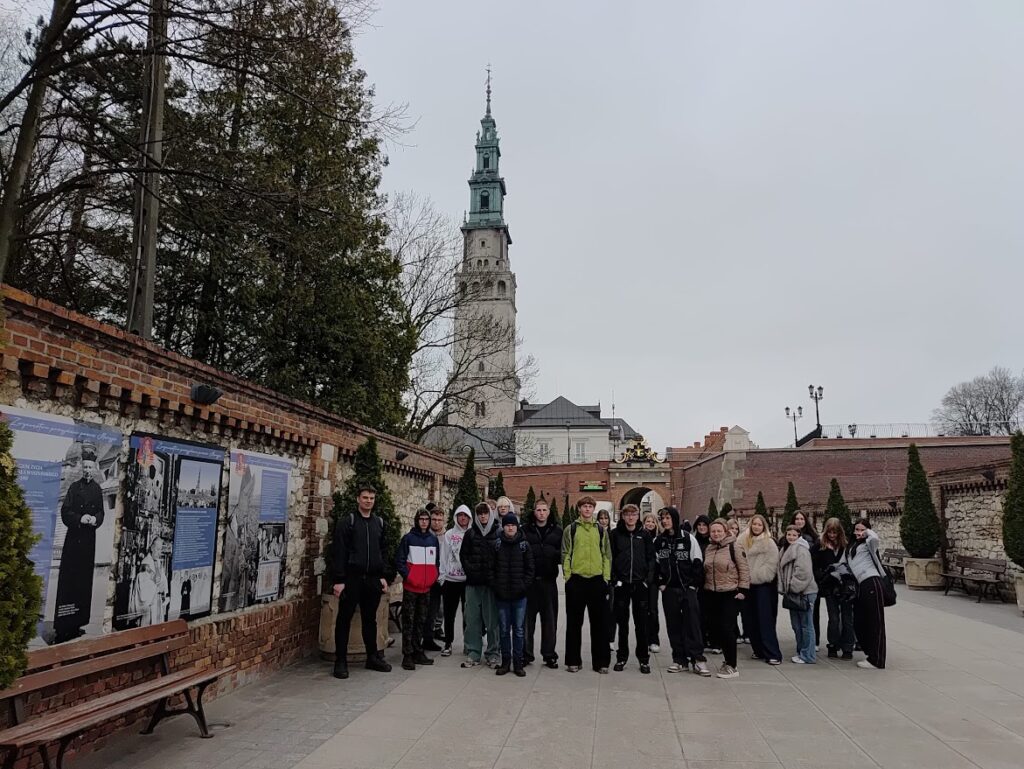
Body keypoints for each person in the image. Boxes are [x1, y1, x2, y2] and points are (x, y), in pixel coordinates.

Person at [331, 484, 393, 680]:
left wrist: (384, 576)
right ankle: (340, 660)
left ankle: (372, 657)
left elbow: (384, 551)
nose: (368, 501)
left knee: (370, 620)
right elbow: (338, 551)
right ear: (358, 499)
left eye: (371, 498)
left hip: (373, 579)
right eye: (365, 497)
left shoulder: (379, 523)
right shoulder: (347, 522)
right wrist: (339, 580)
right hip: (351, 579)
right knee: (344, 619)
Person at [54, 447, 105, 643]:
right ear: (81, 467)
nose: (87, 470)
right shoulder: (74, 488)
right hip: (73, 541)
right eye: (85, 466)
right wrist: (79, 518)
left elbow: (101, 512)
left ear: (95, 468)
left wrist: (95, 519)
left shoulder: (98, 490)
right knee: (69, 581)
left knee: (84, 582)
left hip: (88, 543)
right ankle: (62, 627)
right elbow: (65, 512)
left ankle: (78, 623)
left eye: (90, 467)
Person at [655, 507, 711, 676]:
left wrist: (694, 585)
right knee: (674, 625)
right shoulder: (658, 541)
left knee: (693, 624)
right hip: (669, 590)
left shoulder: (688, 539)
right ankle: (679, 659)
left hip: (688, 589)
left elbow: (697, 562)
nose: (665, 521)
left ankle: (698, 659)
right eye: (662, 518)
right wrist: (661, 583)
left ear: (675, 519)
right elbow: (655, 564)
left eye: (667, 518)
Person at [562, 496, 612, 673]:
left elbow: (606, 554)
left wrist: (605, 577)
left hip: (597, 580)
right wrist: (567, 576)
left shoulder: (600, 530)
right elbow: (566, 552)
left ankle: (601, 662)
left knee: (599, 624)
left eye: (590, 506)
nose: (587, 509)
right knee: (574, 623)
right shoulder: (572, 529)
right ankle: (573, 660)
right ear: (579, 509)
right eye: (584, 506)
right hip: (577, 580)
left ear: (594, 509)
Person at [609, 503, 655, 674]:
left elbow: (651, 558)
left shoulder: (645, 535)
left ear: (638, 516)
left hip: (639, 584)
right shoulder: (615, 534)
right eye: (627, 514)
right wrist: (614, 579)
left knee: (641, 623)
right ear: (623, 516)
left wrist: (647, 579)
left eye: (633, 514)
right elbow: (611, 556)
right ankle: (622, 657)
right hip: (622, 584)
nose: (630, 517)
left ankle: (643, 659)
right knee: (622, 623)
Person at [703, 518, 750, 679]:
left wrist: (743, 590)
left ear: (725, 531)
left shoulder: (734, 546)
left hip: (730, 592)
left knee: (727, 628)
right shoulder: (709, 548)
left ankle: (732, 665)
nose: (716, 534)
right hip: (712, 593)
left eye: (719, 531)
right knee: (716, 628)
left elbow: (743, 568)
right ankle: (727, 661)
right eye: (713, 531)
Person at [395, 508, 440, 670]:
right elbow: (399, 560)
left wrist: (433, 577)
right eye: (421, 519)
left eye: (426, 519)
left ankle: (417, 650)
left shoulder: (432, 540)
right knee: (408, 621)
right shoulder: (408, 538)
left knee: (421, 620)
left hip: (426, 588)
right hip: (411, 588)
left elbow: (436, 562)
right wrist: (409, 577)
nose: (424, 522)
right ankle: (407, 654)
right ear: (417, 520)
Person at [490, 513, 535, 676]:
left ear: (517, 526)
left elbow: (530, 570)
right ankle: (505, 662)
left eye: (513, 525)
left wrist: (523, 586)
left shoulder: (524, 545)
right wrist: (496, 586)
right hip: (502, 595)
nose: (510, 527)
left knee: (518, 630)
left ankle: (518, 663)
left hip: (519, 596)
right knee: (503, 630)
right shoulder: (497, 544)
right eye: (507, 525)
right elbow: (491, 569)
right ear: (503, 526)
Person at [460, 502, 501, 668]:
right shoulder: (470, 534)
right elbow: (464, 556)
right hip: (473, 583)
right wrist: (471, 571)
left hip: (490, 585)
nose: (483, 516)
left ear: (490, 514)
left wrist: (494, 576)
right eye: (480, 514)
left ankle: (492, 653)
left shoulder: (498, 532)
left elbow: (501, 557)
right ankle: (473, 652)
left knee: (492, 621)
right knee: (472, 620)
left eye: (485, 513)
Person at [522, 499, 562, 668]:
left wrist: (554, 555)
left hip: (548, 582)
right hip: (529, 583)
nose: (541, 513)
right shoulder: (525, 530)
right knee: (526, 622)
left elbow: (564, 553)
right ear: (534, 511)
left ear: (548, 512)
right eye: (538, 510)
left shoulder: (557, 531)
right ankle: (526, 654)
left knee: (550, 621)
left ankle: (549, 655)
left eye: (544, 510)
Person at [739, 514, 782, 665]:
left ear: (764, 527)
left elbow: (771, 566)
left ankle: (773, 653)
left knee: (765, 620)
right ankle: (758, 650)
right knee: (749, 620)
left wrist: (754, 576)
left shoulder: (769, 543)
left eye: (759, 525)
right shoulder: (742, 541)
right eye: (754, 524)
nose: (756, 527)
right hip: (746, 585)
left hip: (763, 586)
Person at [846, 519, 887, 670]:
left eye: (862, 530)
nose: (858, 533)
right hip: (860, 586)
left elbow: (875, 538)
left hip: (872, 582)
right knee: (859, 622)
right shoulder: (851, 546)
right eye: (856, 529)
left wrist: (867, 532)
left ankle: (877, 659)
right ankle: (870, 652)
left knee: (875, 623)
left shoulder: (869, 544)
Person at [812, 518, 855, 660]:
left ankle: (848, 647)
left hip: (845, 587)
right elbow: (813, 565)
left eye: (835, 532)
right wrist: (824, 575)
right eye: (830, 532)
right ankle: (833, 645)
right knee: (834, 618)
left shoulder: (846, 546)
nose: (832, 535)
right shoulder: (820, 545)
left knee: (847, 618)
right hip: (830, 586)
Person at [778, 525, 818, 664]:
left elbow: (803, 572)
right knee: (797, 625)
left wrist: (791, 587)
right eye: (789, 534)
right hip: (794, 593)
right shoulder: (785, 549)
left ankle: (808, 655)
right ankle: (801, 652)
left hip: (804, 592)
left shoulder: (801, 550)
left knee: (806, 625)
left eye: (794, 535)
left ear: (799, 536)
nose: (791, 537)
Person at [439, 505, 471, 657]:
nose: (462, 518)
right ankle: (448, 642)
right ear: (456, 517)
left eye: (465, 515)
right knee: (449, 613)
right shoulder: (449, 534)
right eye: (460, 515)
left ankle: (468, 643)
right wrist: (442, 576)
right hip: (450, 580)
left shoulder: (472, 534)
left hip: (467, 580)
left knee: (468, 614)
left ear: (469, 518)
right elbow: (444, 555)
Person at [422, 505, 447, 651]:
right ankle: (424, 637)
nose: (437, 522)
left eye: (440, 520)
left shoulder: (447, 537)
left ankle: (430, 636)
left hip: (441, 579)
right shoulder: (425, 535)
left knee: (436, 609)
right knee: (424, 610)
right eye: (434, 519)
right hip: (425, 578)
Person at [692, 514, 714, 651]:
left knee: (713, 613)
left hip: (713, 581)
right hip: (699, 582)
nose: (701, 528)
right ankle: (703, 640)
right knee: (700, 612)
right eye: (699, 525)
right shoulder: (694, 541)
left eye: (704, 525)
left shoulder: (714, 541)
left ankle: (714, 640)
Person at [641, 511, 662, 653]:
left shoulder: (660, 540)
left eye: (652, 521)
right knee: (642, 610)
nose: (650, 524)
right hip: (641, 579)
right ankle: (643, 638)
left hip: (654, 580)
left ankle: (654, 639)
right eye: (647, 521)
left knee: (653, 610)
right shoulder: (640, 537)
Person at [597, 508, 616, 649]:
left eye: (605, 518)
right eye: (601, 518)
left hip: (611, 578)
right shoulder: (595, 533)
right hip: (598, 577)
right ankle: (600, 638)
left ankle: (610, 639)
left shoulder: (613, 535)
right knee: (599, 610)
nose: (603, 521)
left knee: (611, 610)